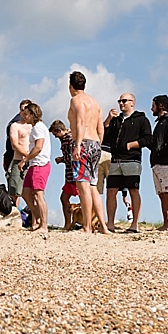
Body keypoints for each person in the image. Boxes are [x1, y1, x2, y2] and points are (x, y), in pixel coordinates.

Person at [67, 70, 110, 233]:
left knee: (83, 186)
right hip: (95, 144)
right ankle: (103, 226)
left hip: (83, 142)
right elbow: (100, 127)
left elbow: (80, 122)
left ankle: (87, 226)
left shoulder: (76, 100)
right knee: (93, 186)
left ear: (70, 86)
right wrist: (99, 143)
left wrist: (77, 145)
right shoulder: (95, 102)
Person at [102, 92, 152, 232]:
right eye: (119, 101)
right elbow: (104, 137)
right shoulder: (116, 120)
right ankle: (110, 223)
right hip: (115, 160)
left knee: (133, 190)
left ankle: (134, 224)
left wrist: (131, 145)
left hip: (132, 160)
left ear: (132, 102)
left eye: (124, 101)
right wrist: (108, 120)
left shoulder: (141, 119)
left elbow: (148, 139)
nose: (121, 103)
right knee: (111, 191)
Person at [18, 103, 51, 234]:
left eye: (26, 114)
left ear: (32, 114)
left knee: (38, 195)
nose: (24, 116)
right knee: (26, 193)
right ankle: (37, 218)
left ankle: (44, 225)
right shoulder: (36, 127)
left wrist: (25, 159)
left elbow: (38, 147)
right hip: (34, 164)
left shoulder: (38, 127)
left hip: (40, 164)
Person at [149, 95, 168, 231]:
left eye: (153, 105)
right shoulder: (160, 122)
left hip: (166, 162)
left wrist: (161, 150)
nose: (151, 108)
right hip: (156, 161)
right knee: (161, 194)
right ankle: (166, 222)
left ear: (159, 105)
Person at [50, 120, 78, 225]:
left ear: (60, 130)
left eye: (55, 134)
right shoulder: (68, 138)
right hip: (70, 175)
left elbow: (72, 156)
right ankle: (68, 223)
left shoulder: (68, 139)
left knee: (69, 198)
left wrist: (61, 159)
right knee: (64, 198)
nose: (56, 137)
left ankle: (76, 222)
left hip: (74, 174)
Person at [7, 102, 33, 207]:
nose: (24, 112)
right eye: (22, 110)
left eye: (26, 109)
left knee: (33, 192)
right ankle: (16, 215)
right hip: (18, 160)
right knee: (14, 191)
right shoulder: (15, 125)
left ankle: (35, 220)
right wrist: (28, 155)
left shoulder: (35, 126)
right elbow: (15, 144)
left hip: (33, 162)